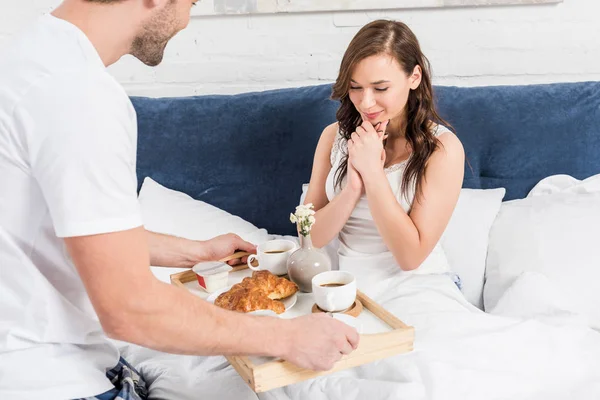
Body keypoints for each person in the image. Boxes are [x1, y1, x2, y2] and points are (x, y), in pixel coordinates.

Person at [0, 1, 359, 399]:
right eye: (190, 3)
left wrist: (196, 252)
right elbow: (130, 309)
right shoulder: (80, 96)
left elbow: (77, 231)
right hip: (52, 381)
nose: (187, 20)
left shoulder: (29, 55)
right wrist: (287, 337)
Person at [304, 20, 465, 294]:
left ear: (414, 77)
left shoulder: (443, 149)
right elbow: (309, 237)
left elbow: (410, 257)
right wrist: (353, 188)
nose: (366, 102)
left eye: (380, 89)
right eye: (355, 87)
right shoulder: (333, 137)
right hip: (345, 286)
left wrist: (372, 173)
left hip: (418, 286)